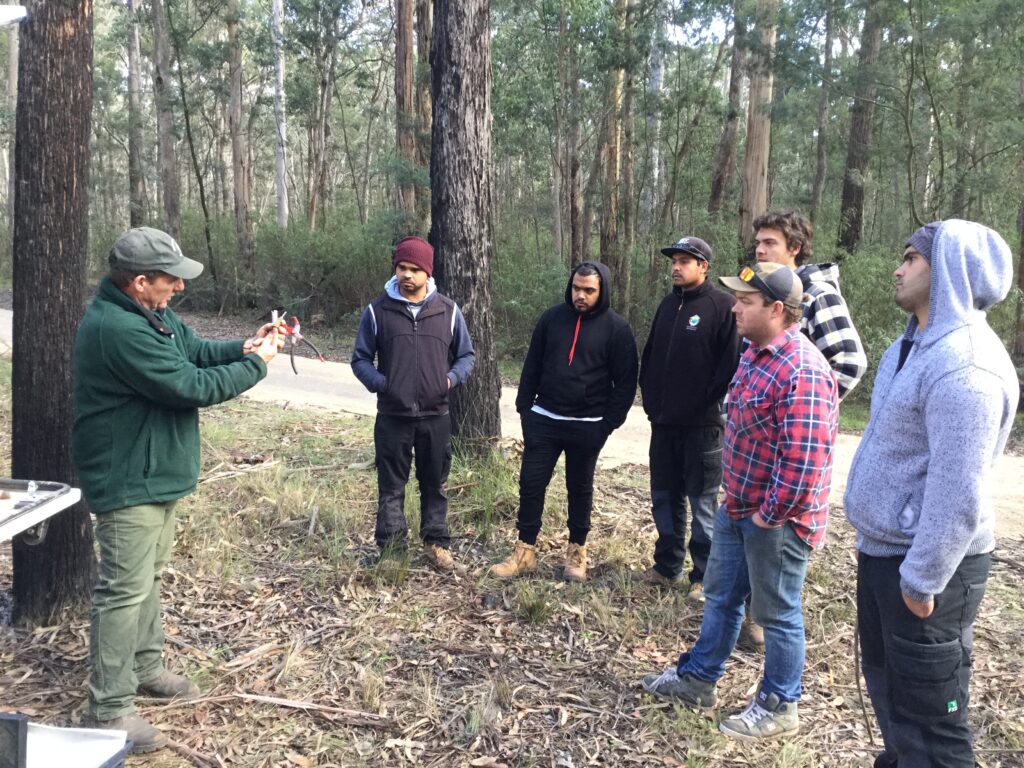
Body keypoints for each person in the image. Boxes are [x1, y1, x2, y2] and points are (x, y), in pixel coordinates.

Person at [74, 227, 282, 752]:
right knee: (122, 591)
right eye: (171, 280)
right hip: (127, 477)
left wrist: (244, 345)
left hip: (154, 471)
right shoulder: (118, 329)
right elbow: (189, 384)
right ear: (140, 282)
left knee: (149, 577)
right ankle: (109, 710)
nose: (179, 289)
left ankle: (145, 669)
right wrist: (257, 365)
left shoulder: (152, 314)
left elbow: (195, 350)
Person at [844, 220, 1018, 768]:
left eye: (911, 258)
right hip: (887, 554)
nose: (898, 269)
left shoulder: (965, 364)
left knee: (933, 734)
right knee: (896, 705)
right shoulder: (913, 345)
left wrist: (921, 580)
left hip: (924, 569)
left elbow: (958, 489)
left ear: (946, 268)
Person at [641, 262, 838, 742]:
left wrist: (766, 518)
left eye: (746, 302)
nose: (734, 308)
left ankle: (779, 703)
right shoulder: (754, 353)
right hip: (738, 506)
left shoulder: (803, 369)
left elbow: (803, 466)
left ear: (776, 309)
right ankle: (699, 680)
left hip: (777, 521)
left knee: (777, 612)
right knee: (721, 596)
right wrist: (737, 506)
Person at [739, 209, 868, 649]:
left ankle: (762, 617)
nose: (760, 249)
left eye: (771, 242)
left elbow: (850, 361)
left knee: (775, 529)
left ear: (795, 248)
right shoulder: (759, 289)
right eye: (758, 241)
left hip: (790, 442)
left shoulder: (816, 293)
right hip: (754, 446)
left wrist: (808, 412)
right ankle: (746, 607)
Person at [490, 261, 638, 582]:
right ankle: (525, 551)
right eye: (576, 288)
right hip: (544, 419)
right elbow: (531, 365)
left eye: (589, 290)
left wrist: (606, 425)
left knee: (579, 488)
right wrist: (525, 409)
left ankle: (577, 553)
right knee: (531, 484)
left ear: (602, 291)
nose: (580, 295)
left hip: (588, 424)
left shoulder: (617, 329)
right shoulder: (551, 319)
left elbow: (625, 384)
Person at [351, 236, 475, 571]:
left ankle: (437, 544)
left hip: (436, 415)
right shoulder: (378, 311)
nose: (407, 275)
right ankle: (391, 550)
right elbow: (360, 359)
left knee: (435, 483)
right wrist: (383, 385)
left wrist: (448, 381)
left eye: (415, 269)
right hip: (393, 416)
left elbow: (466, 356)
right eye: (402, 267)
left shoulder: (448, 311)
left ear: (427, 273)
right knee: (392, 486)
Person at [638, 236, 739, 599]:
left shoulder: (722, 306)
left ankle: (703, 576)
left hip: (703, 427)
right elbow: (650, 356)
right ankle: (667, 565)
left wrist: (701, 405)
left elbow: (728, 368)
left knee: (702, 503)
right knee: (664, 497)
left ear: (704, 267)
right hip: (663, 424)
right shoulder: (668, 304)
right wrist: (650, 401)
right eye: (674, 261)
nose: (676, 267)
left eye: (685, 261)